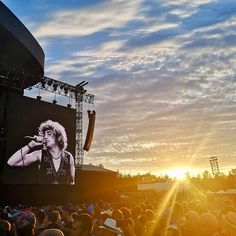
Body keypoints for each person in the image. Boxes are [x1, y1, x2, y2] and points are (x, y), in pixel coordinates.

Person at [7, 120, 75, 184]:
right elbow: (11, 162)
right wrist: (31, 145)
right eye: (44, 134)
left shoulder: (69, 157)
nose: (45, 137)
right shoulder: (40, 154)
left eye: (49, 134)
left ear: (58, 137)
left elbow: (73, 181)